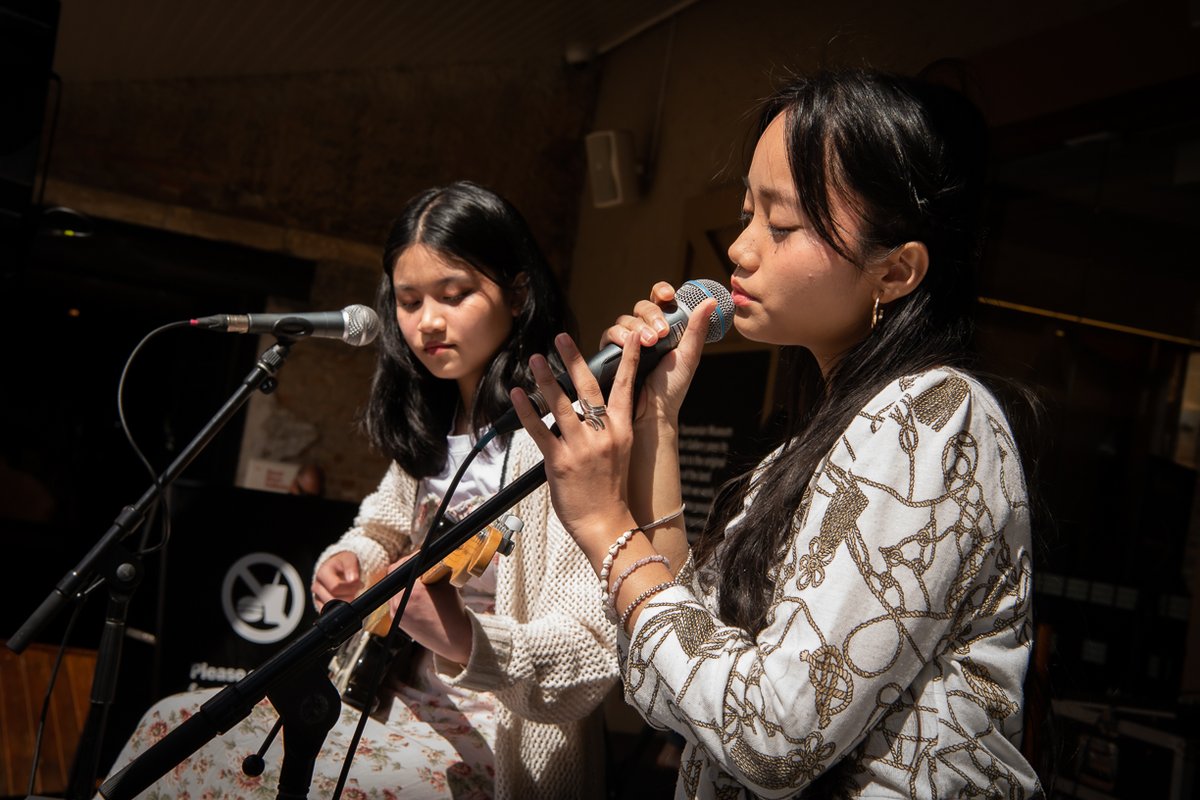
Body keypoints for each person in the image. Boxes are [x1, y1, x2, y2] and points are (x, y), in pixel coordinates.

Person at [511, 68, 1043, 798]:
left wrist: (607, 529)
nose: (740, 248)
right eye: (746, 214)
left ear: (896, 272)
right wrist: (660, 420)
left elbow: (770, 734)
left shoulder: (936, 415)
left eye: (782, 224)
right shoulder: (813, 445)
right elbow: (679, 683)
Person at [105, 181, 619, 799]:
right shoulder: (432, 422)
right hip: (381, 692)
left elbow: (590, 660)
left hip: (503, 738)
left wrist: (462, 636)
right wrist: (351, 565)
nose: (427, 321)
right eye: (407, 301)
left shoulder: (568, 436)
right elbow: (379, 530)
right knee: (168, 727)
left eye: (453, 295)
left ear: (519, 293)